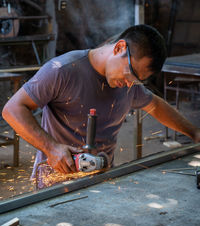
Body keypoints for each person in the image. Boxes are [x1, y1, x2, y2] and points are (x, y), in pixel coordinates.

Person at [2, 24, 200, 188]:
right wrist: (51, 148)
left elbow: (156, 106)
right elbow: (12, 109)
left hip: (102, 182)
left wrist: (194, 133)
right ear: (119, 48)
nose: (130, 84)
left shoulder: (129, 85)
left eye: (138, 81)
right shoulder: (62, 70)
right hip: (56, 185)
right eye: (130, 74)